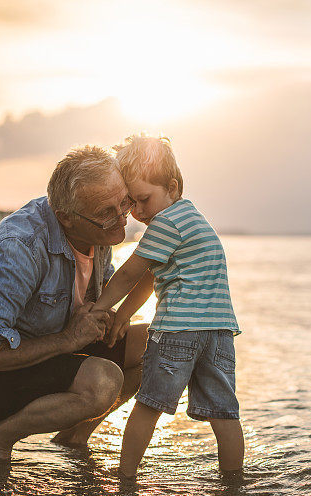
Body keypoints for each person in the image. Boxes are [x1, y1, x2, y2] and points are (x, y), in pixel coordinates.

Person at [0, 145, 148, 460]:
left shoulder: (97, 233)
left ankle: (72, 440)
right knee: (104, 381)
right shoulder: (20, 247)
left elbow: (90, 303)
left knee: (158, 347)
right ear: (66, 217)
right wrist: (67, 340)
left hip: (47, 355)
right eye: (107, 212)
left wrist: (110, 318)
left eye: (124, 203)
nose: (122, 220)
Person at [93, 134, 243, 477]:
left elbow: (131, 272)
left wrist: (100, 307)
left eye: (144, 199)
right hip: (219, 332)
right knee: (224, 414)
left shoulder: (165, 223)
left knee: (148, 406)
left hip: (178, 330)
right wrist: (126, 315)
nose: (138, 212)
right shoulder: (193, 220)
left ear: (172, 187)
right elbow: (151, 278)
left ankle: (126, 478)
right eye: (132, 203)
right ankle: (234, 485)